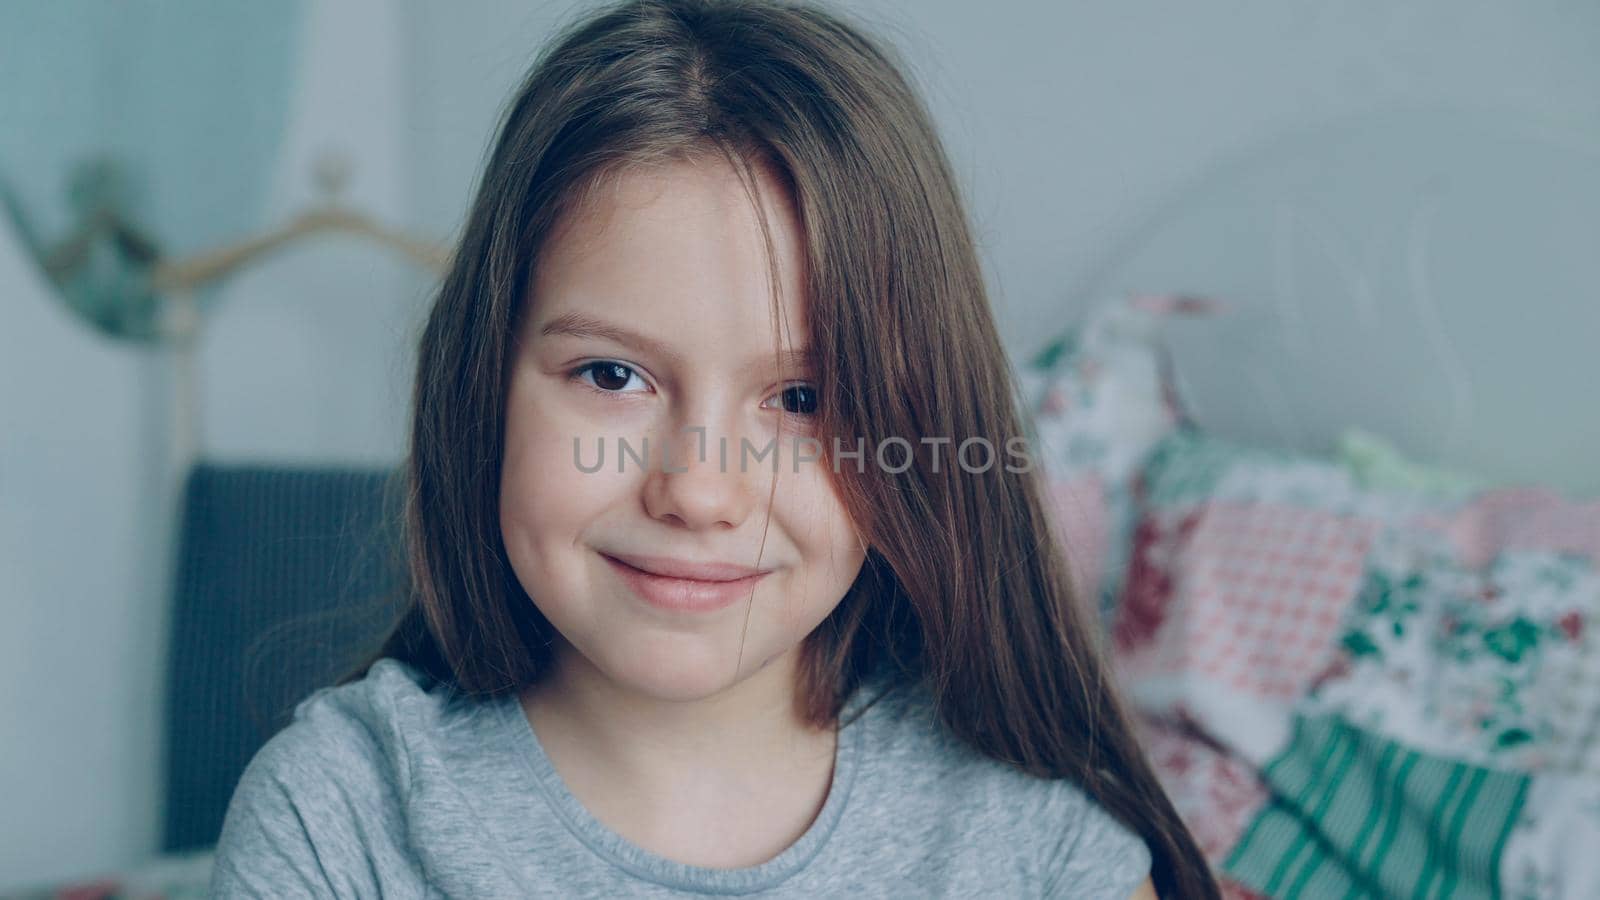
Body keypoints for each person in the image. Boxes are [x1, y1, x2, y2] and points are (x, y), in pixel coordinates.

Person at [208, 0, 1218, 896]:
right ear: (483, 387)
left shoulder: (1033, 851)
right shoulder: (339, 822)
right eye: (612, 376)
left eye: (799, 396)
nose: (697, 491)